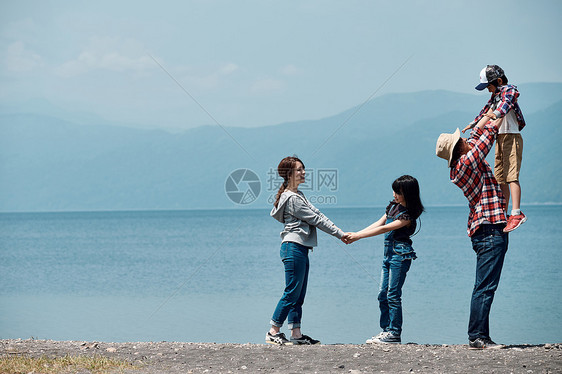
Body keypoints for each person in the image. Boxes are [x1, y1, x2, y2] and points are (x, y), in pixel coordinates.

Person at [436, 113, 508, 349]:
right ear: (460, 148)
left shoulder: (460, 166)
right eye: (463, 140)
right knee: (485, 286)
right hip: (489, 229)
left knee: (485, 285)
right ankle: (477, 336)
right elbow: (486, 139)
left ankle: (479, 335)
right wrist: (499, 115)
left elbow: (478, 136)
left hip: (485, 230)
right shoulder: (467, 163)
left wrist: (489, 112)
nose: (467, 139)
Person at [267, 156, 345, 345]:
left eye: (303, 169)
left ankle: (296, 334)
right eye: (299, 170)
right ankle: (273, 331)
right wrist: (340, 235)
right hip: (293, 247)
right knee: (291, 292)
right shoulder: (292, 199)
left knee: (298, 294)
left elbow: (317, 213)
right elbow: (316, 220)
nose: (303, 172)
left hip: (299, 247)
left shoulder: (298, 195)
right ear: (289, 174)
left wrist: (340, 232)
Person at [342, 175, 424, 344]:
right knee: (382, 294)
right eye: (394, 190)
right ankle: (386, 330)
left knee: (393, 295)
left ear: (408, 193)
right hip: (388, 256)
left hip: (400, 256)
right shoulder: (392, 207)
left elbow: (385, 228)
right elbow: (379, 223)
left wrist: (358, 236)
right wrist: (356, 233)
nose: (395, 194)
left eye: (399, 192)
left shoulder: (407, 216)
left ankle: (394, 333)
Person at [462, 65, 527, 232]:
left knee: (512, 175)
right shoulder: (495, 97)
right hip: (500, 137)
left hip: (511, 136)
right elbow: (485, 112)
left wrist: (496, 115)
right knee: (500, 178)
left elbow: (506, 103)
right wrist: (474, 124)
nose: (488, 90)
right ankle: (504, 213)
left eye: (489, 86)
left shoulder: (509, 91)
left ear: (498, 81)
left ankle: (516, 213)